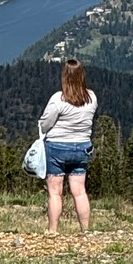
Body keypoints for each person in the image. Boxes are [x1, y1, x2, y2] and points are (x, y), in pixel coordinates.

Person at [38, 58, 98, 234]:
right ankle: (85, 230)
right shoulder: (92, 98)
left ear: (65, 76)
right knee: (79, 191)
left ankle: (53, 230)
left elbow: (46, 123)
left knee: (55, 192)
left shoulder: (58, 99)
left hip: (57, 147)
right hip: (82, 147)